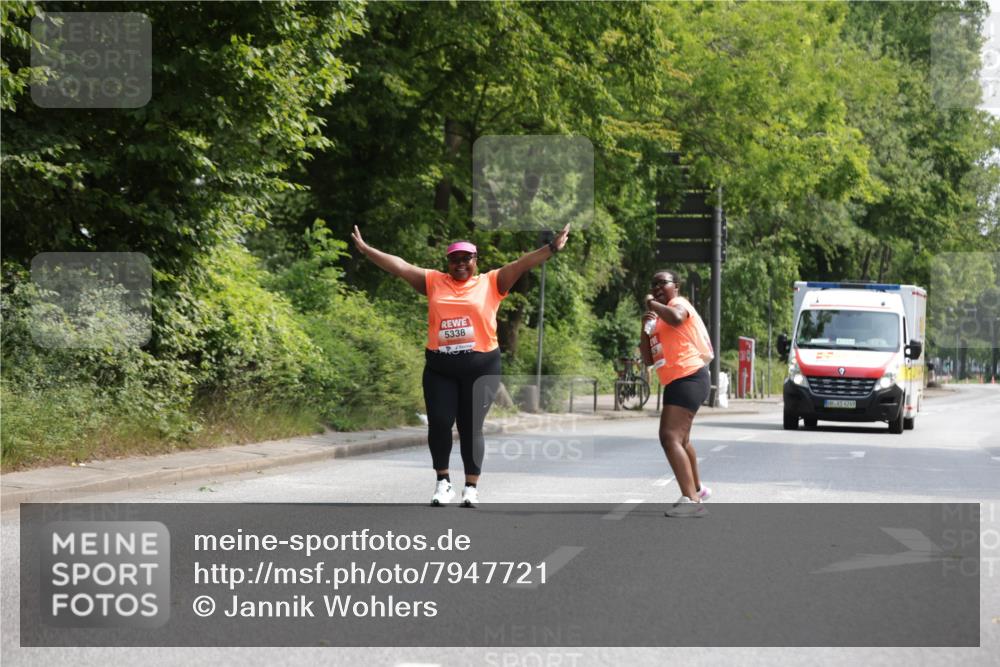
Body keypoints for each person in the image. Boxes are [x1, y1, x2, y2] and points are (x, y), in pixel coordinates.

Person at [351, 224, 570, 507]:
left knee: (470, 427)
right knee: (440, 422)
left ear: (475, 260)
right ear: (448, 263)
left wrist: (551, 248)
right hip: (441, 368)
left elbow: (522, 263)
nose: (461, 264)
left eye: (466, 258)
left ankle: (471, 486)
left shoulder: (491, 282)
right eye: (455, 259)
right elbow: (400, 267)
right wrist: (367, 250)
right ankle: (443, 482)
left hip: (482, 368)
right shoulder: (433, 281)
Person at [638, 270, 714, 518]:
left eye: (663, 283)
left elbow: (678, 318)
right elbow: (649, 358)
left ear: (676, 286)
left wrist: (652, 303)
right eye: (654, 283)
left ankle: (691, 501)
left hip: (689, 376)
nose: (658, 286)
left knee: (669, 436)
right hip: (675, 380)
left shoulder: (678, 304)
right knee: (681, 440)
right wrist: (645, 329)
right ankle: (698, 489)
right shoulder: (657, 319)